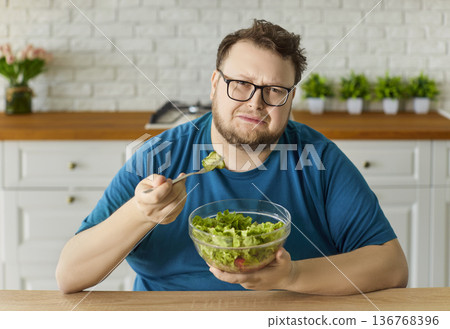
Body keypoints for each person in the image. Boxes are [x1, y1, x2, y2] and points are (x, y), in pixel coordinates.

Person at [56, 19, 408, 295]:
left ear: (290, 99)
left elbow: (391, 266)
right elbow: (69, 276)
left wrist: (292, 275)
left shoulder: (318, 159)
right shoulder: (160, 157)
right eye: (240, 84)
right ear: (214, 84)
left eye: (274, 90)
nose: (256, 103)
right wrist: (141, 213)